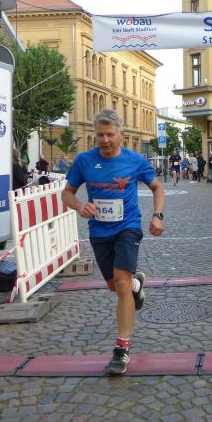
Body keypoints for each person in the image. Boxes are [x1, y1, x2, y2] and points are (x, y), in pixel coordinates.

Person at [62, 109, 165, 376]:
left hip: (127, 227)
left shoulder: (135, 160)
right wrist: (79, 206)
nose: (105, 140)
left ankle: (121, 348)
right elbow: (67, 193)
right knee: (115, 286)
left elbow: (157, 187)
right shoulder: (84, 161)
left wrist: (157, 216)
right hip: (99, 231)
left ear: (121, 134)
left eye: (110, 134)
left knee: (120, 285)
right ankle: (136, 284)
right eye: (100, 135)